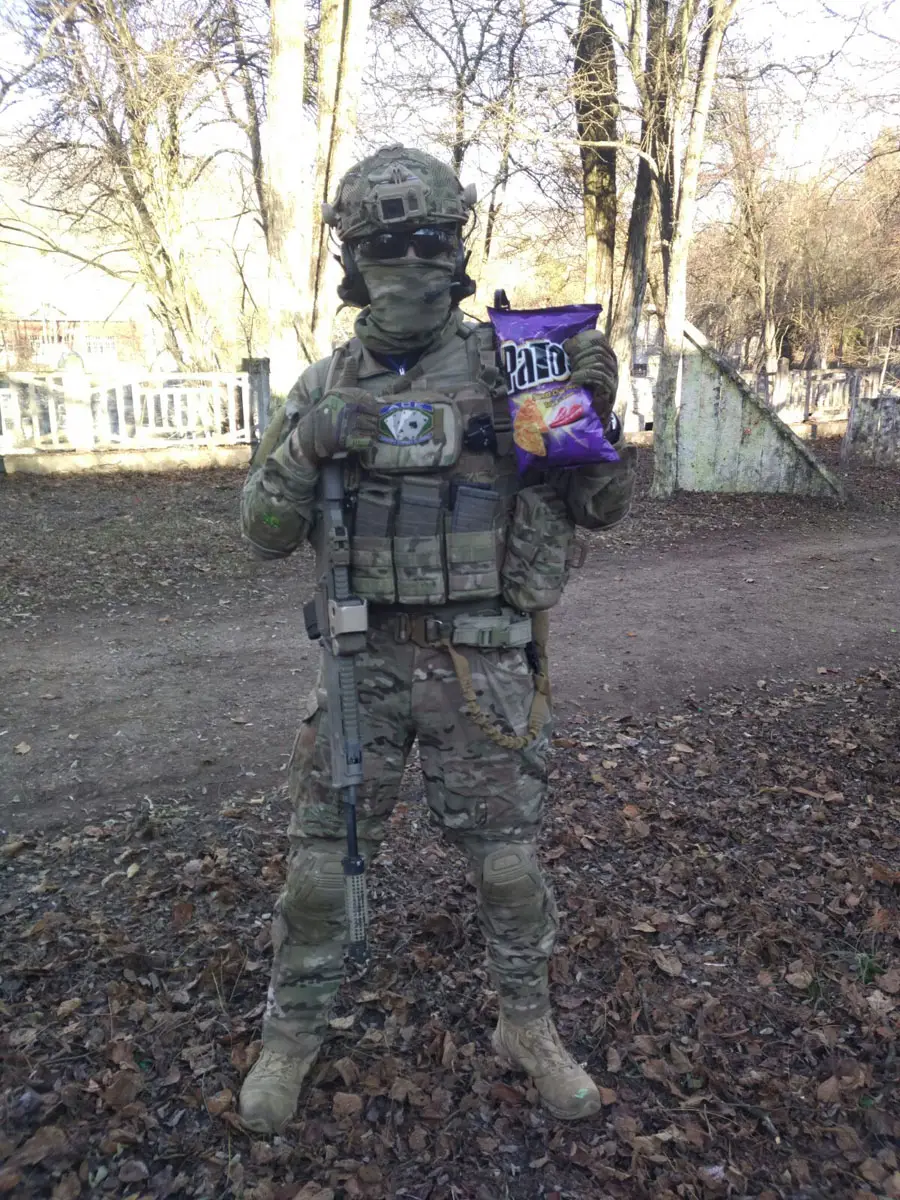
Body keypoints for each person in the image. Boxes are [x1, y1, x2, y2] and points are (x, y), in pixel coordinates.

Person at [238, 145, 636, 1134]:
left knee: (507, 863)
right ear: (353, 258)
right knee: (321, 866)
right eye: (386, 245)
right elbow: (260, 532)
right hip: (360, 662)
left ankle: (526, 1027)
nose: (407, 262)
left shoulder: (521, 364)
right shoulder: (325, 382)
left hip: (480, 661)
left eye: (425, 241)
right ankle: (291, 1034)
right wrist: (307, 442)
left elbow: (603, 504)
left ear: (456, 247)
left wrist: (590, 412)